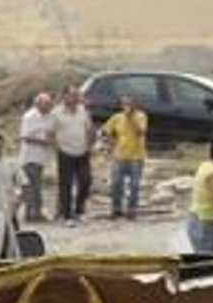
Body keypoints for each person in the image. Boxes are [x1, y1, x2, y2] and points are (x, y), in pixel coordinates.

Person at [52, 86, 95, 226]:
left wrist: (89, 145)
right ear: (64, 96)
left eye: (77, 95)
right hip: (65, 152)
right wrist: (57, 148)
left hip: (83, 151)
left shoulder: (83, 111)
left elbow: (89, 129)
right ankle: (67, 216)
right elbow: (50, 133)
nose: (76, 98)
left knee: (86, 181)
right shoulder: (56, 113)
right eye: (72, 95)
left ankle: (79, 210)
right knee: (66, 185)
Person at [102, 94, 148, 219]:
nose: (126, 106)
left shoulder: (141, 116)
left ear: (134, 105)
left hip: (136, 156)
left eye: (129, 104)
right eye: (124, 104)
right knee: (116, 183)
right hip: (119, 155)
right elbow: (105, 130)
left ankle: (132, 210)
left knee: (134, 185)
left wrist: (131, 118)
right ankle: (116, 208)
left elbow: (141, 131)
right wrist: (111, 142)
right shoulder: (117, 117)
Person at [18, 92, 55, 223]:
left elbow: (49, 132)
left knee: (34, 187)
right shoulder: (30, 117)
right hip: (30, 157)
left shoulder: (49, 117)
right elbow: (25, 137)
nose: (49, 106)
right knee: (32, 187)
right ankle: (33, 214)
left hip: (41, 157)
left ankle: (32, 213)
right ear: (38, 104)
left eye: (50, 104)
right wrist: (43, 142)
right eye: (46, 104)